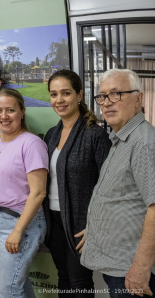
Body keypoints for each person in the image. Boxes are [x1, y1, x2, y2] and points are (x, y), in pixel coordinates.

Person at [81, 69, 155, 297]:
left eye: (116, 94)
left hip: (131, 269)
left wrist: (141, 268)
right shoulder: (121, 138)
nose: (106, 103)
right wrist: (95, 228)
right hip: (119, 263)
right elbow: (123, 199)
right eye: (102, 96)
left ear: (139, 98)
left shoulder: (143, 143)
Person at [0, 88, 48, 298]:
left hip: (20, 222)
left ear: (22, 112)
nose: (3, 116)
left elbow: (38, 193)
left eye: (10, 110)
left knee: (6, 289)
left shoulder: (31, 144)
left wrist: (17, 231)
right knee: (17, 283)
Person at [43, 70, 112, 297]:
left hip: (81, 225)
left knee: (79, 281)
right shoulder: (51, 134)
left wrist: (95, 226)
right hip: (53, 221)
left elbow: (109, 187)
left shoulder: (95, 135)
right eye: (54, 94)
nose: (59, 100)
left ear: (79, 94)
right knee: (63, 276)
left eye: (66, 93)